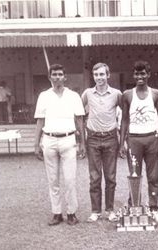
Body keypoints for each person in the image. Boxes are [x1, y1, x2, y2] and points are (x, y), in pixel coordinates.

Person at [34, 64, 86, 226]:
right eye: (54, 74)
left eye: (60, 74)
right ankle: (56, 213)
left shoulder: (73, 96)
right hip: (49, 140)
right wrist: (36, 144)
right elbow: (40, 121)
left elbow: (79, 120)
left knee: (70, 179)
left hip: (68, 139)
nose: (57, 77)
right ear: (49, 77)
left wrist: (82, 142)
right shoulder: (43, 96)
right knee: (53, 180)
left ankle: (71, 213)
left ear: (65, 77)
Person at [119, 60, 158, 223]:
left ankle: (154, 209)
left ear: (148, 74)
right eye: (137, 73)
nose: (140, 76)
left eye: (143, 73)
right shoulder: (127, 94)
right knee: (135, 175)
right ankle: (134, 207)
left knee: (153, 176)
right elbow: (124, 120)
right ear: (133, 75)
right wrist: (121, 144)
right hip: (134, 140)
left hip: (151, 138)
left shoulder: (156, 94)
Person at [81, 62, 122, 222]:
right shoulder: (87, 94)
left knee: (110, 177)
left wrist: (122, 135)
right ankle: (95, 211)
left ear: (108, 75)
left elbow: (125, 113)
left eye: (102, 74)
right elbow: (77, 111)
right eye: (96, 75)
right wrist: (83, 128)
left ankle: (110, 210)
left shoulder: (116, 94)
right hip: (93, 139)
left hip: (111, 138)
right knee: (94, 177)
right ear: (93, 76)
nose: (99, 78)